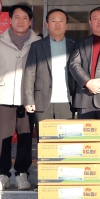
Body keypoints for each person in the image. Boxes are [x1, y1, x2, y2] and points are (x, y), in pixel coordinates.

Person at [0, 3, 40, 191]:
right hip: (4, 97)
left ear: (30, 21)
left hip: (27, 99)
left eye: (25, 17)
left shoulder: (38, 42)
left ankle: (22, 174)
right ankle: (3, 175)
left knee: (25, 139)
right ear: (10, 19)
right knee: (3, 139)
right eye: (17, 17)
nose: (21, 21)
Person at [22, 8, 75, 140]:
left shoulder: (74, 46)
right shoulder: (37, 46)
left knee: (66, 141)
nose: (57, 24)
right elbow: (29, 72)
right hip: (43, 102)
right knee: (45, 142)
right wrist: (29, 99)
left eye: (61, 21)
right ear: (47, 24)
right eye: (53, 21)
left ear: (66, 25)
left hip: (67, 102)